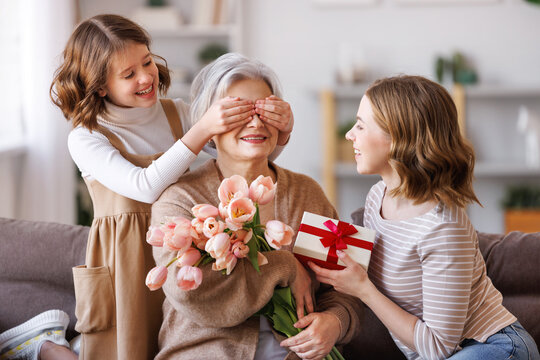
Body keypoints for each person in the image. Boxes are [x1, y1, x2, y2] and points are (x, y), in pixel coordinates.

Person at [0, 14, 294, 360]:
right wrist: (201, 129)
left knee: (173, 339)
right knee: (123, 349)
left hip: (179, 249)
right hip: (125, 256)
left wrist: (282, 132)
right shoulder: (86, 136)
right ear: (99, 86)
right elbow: (145, 187)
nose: (145, 77)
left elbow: (245, 157)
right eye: (129, 74)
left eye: (147, 62)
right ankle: (44, 345)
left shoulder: (177, 114)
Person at [309, 75, 540, 360]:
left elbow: (438, 347)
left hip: (492, 347)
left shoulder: (442, 226)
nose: (349, 135)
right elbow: (348, 257)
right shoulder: (376, 196)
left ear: (397, 136)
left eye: (360, 125)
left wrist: (365, 290)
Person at [151, 53, 362, 360]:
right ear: (209, 122)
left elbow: (346, 285)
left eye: (265, 110)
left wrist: (335, 322)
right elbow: (190, 292)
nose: (254, 122)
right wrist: (284, 266)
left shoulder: (307, 193)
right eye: (237, 111)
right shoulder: (182, 198)